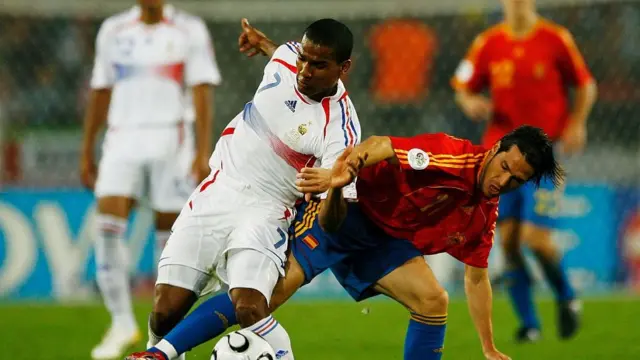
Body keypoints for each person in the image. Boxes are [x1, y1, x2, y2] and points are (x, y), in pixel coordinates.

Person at [127, 125, 562, 360]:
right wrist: (343, 172)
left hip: (385, 239)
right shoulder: (450, 155)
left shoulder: (485, 212)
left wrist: (488, 347)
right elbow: (381, 145)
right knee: (264, 296)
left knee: (433, 300)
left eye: (515, 180)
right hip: (346, 212)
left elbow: (478, 279)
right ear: (496, 149)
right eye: (504, 166)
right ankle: (159, 355)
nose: (502, 181)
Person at [125, 17, 360, 360]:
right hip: (218, 189)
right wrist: (262, 42)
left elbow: (333, 221)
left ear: (344, 68)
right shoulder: (287, 57)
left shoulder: (340, 127)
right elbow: (281, 52)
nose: (305, 71)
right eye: (304, 59)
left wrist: (336, 186)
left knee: (249, 307)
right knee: (164, 312)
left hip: (267, 210)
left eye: (319, 65)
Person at [80, 0, 221, 358]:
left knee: (170, 240)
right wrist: (87, 149)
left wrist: (202, 151)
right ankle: (121, 322)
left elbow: (203, 90)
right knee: (107, 225)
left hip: (171, 139)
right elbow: (101, 89)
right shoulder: (114, 30)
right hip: (121, 138)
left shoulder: (189, 29)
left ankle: (166, 334)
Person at [451, 0, 597, 342]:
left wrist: (577, 122)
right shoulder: (488, 42)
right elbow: (461, 83)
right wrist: (468, 100)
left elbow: (586, 84)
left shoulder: (554, 38)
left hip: (544, 157)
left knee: (537, 239)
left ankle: (566, 297)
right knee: (511, 242)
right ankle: (529, 324)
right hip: (501, 158)